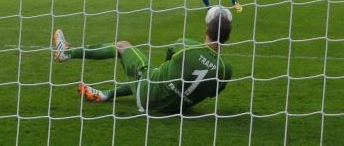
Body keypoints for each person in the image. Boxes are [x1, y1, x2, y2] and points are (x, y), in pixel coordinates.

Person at [53, 6, 234, 114]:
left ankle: (66, 53)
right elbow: (212, 92)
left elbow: (168, 59)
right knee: (155, 75)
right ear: (228, 36)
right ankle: (106, 94)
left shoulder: (185, 45)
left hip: (150, 98)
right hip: (175, 109)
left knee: (122, 46)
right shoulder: (226, 70)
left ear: (206, 30)